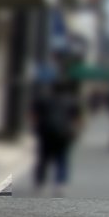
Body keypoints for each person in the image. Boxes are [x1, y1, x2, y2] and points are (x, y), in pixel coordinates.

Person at [29, 54, 83, 194]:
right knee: (62, 158)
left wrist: (35, 128)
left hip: (46, 132)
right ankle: (60, 183)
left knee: (43, 158)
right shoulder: (72, 101)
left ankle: (40, 182)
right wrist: (76, 132)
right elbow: (77, 120)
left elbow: (34, 115)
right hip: (64, 134)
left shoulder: (43, 99)